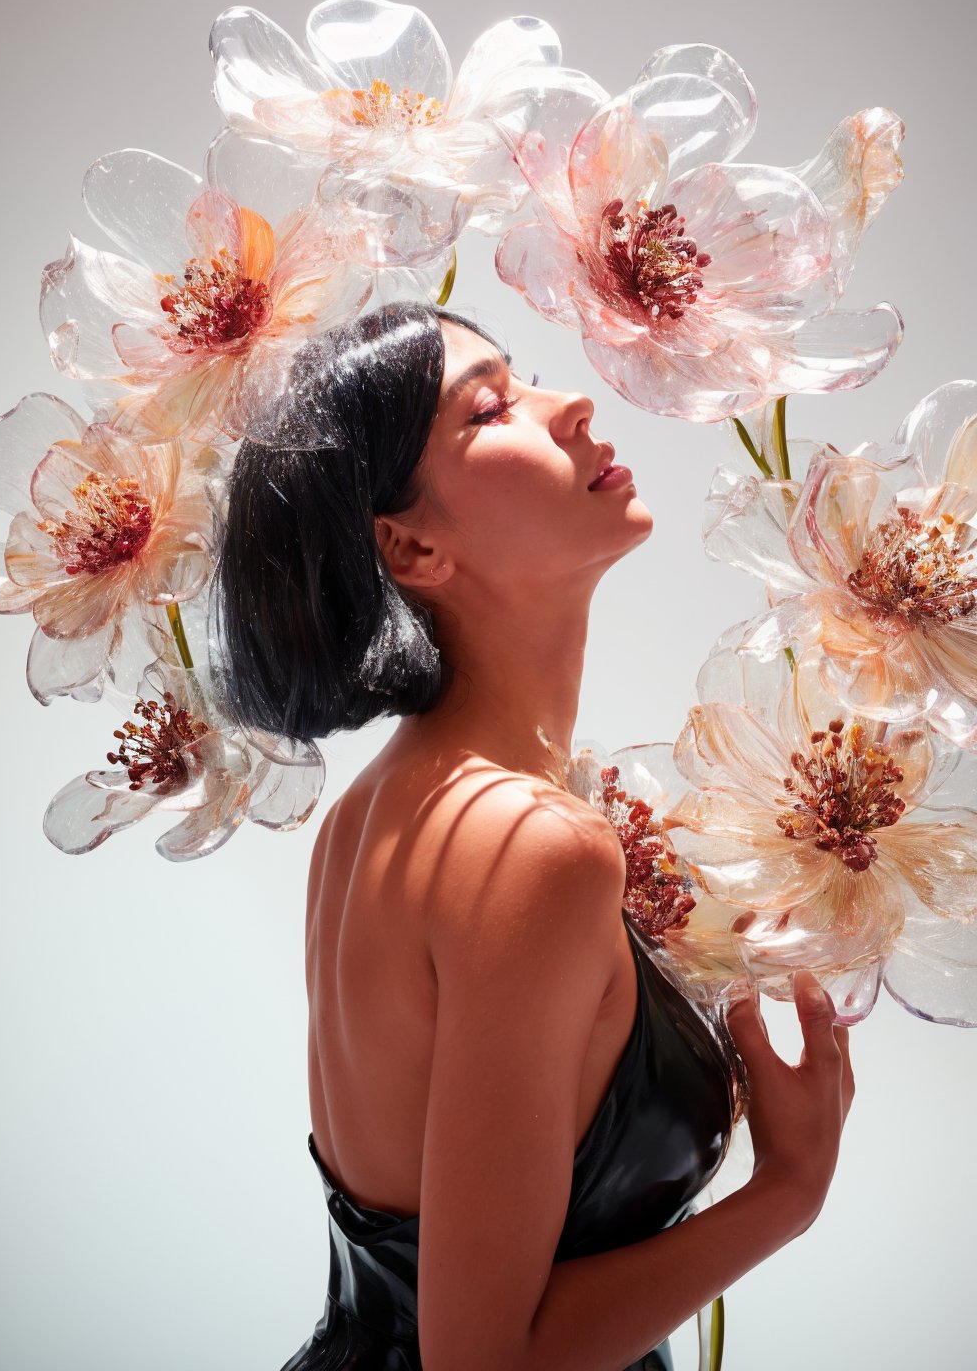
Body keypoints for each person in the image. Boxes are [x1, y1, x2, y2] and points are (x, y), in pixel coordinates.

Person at [211, 301, 855, 1371]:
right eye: (492, 406)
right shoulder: (529, 848)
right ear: (410, 544)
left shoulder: (377, 814)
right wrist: (786, 1194)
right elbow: (484, 1360)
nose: (571, 407)